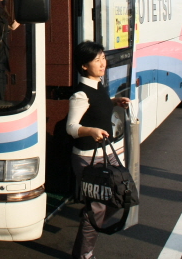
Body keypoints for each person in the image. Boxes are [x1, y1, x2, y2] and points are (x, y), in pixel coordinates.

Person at [66, 41, 130, 259]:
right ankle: (84, 255)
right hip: (87, 158)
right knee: (97, 209)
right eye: (97, 60)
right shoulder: (80, 94)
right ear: (84, 65)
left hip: (106, 153)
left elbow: (98, 107)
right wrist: (90, 130)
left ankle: (89, 219)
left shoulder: (98, 86)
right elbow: (71, 127)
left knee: (120, 195)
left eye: (103, 58)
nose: (103, 63)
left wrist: (114, 101)